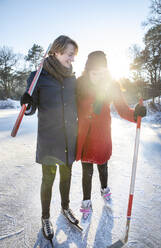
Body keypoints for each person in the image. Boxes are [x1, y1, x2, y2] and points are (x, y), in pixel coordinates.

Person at [20, 35, 79, 239]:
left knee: (67, 175)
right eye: (69, 55)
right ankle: (45, 217)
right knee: (48, 179)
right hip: (49, 138)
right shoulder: (38, 77)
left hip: (69, 137)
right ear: (56, 51)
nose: (72, 59)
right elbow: (31, 107)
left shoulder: (72, 79)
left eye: (74, 56)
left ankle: (65, 207)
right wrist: (26, 102)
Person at [76, 51, 146, 219]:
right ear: (87, 71)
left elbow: (122, 109)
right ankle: (86, 201)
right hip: (84, 135)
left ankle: (104, 188)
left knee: (103, 165)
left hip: (102, 135)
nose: (99, 77)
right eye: (95, 73)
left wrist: (135, 114)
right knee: (86, 171)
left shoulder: (111, 85)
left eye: (102, 73)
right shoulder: (79, 85)